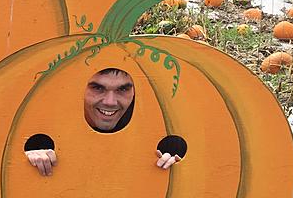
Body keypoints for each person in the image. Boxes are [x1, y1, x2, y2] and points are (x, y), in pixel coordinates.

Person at [25, 67, 182, 176]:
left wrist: (171, 169)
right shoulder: (41, 133)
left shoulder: (165, 140)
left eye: (123, 89)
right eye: (97, 88)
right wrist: (31, 161)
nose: (110, 102)